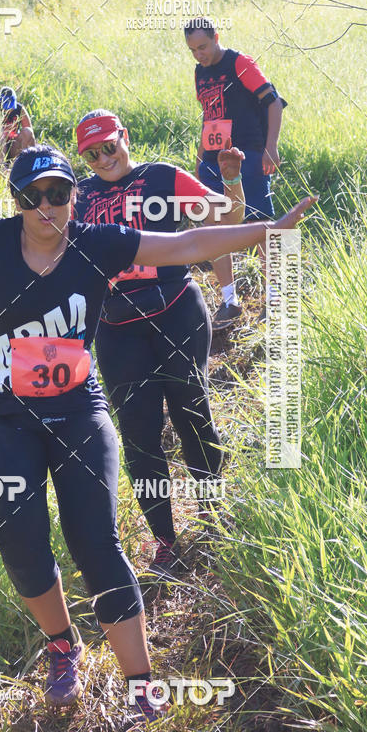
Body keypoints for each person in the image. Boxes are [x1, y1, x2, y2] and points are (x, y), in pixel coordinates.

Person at [0, 145, 315, 722]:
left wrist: (267, 230)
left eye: (58, 193)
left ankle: (140, 684)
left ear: (73, 194)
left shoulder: (98, 243)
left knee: (96, 543)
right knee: (21, 543)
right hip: (3, 417)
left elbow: (187, 245)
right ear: (16, 201)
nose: (45, 206)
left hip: (78, 414)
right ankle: (63, 645)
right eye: (31, 196)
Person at [75, 110, 245, 579]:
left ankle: (213, 515)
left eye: (109, 146)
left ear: (125, 138)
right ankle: (165, 541)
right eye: (92, 154)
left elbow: (228, 218)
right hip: (116, 327)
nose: (103, 158)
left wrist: (233, 179)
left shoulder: (163, 178)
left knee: (193, 414)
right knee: (139, 434)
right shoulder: (79, 196)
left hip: (176, 311)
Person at [185, 17, 287, 328]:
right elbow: (209, 117)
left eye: (203, 47)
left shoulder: (240, 62)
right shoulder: (200, 72)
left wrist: (271, 147)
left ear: (216, 37)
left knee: (259, 224)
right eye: (193, 50)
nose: (199, 54)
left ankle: (275, 300)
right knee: (213, 228)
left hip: (248, 156)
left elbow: (273, 103)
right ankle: (229, 302)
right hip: (213, 161)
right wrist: (200, 160)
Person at [0, 87, 35, 162]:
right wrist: (0, 130)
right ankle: (1, 165)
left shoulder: (19, 109)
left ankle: (25, 162)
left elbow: (29, 134)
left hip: (14, 146)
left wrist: (11, 132)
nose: (9, 110)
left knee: (28, 131)